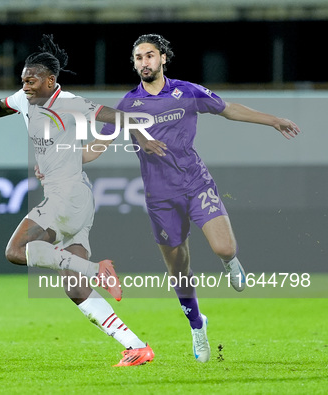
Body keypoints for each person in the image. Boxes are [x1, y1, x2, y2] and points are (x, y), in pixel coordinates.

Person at [0, 34, 166, 366]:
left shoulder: (68, 102)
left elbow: (119, 118)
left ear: (50, 81)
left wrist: (146, 142)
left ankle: (98, 270)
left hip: (65, 196)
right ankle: (136, 346)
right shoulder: (27, 99)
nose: (25, 85)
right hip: (78, 196)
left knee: (15, 252)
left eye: (31, 80)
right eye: (23, 79)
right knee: (74, 285)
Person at [89, 33, 301, 363]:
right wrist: (66, 160)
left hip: (196, 184)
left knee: (224, 247)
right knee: (180, 271)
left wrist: (273, 120)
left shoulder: (186, 92)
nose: (144, 62)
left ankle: (230, 263)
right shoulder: (128, 105)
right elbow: (97, 146)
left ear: (163, 58)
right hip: (160, 199)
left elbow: (229, 109)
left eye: (149, 55)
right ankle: (197, 325)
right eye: (138, 58)